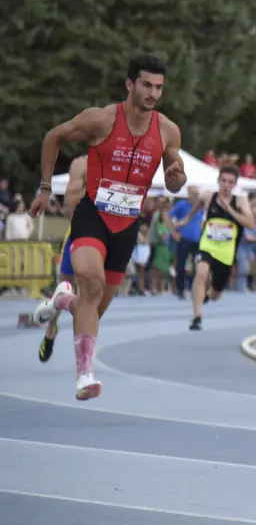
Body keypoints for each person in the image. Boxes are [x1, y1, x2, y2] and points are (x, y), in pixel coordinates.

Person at [28, 54, 187, 401]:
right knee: (92, 284)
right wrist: (45, 189)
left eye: (159, 87)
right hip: (93, 216)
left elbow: (176, 180)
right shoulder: (100, 120)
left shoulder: (168, 131)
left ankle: (63, 300)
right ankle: (85, 375)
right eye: (146, 85)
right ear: (130, 84)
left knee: (92, 309)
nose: (153, 93)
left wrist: (177, 178)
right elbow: (54, 137)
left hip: (126, 227)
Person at [186, 165, 256, 330]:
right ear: (218, 181)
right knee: (201, 273)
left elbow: (251, 224)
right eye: (223, 181)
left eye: (230, 182)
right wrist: (186, 220)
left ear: (235, 184)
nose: (226, 185)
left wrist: (229, 209)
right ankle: (197, 317)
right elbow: (196, 206)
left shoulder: (240, 201)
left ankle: (208, 295)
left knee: (216, 293)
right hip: (208, 245)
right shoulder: (209, 196)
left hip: (226, 252)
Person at [38, 156, 87, 363]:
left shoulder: (119, 166)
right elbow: (68, 209)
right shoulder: (82, 165)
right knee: (63, 288)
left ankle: (84, 356)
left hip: (101, 238)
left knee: (87, 296)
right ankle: (51, 329)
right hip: (77, 232)